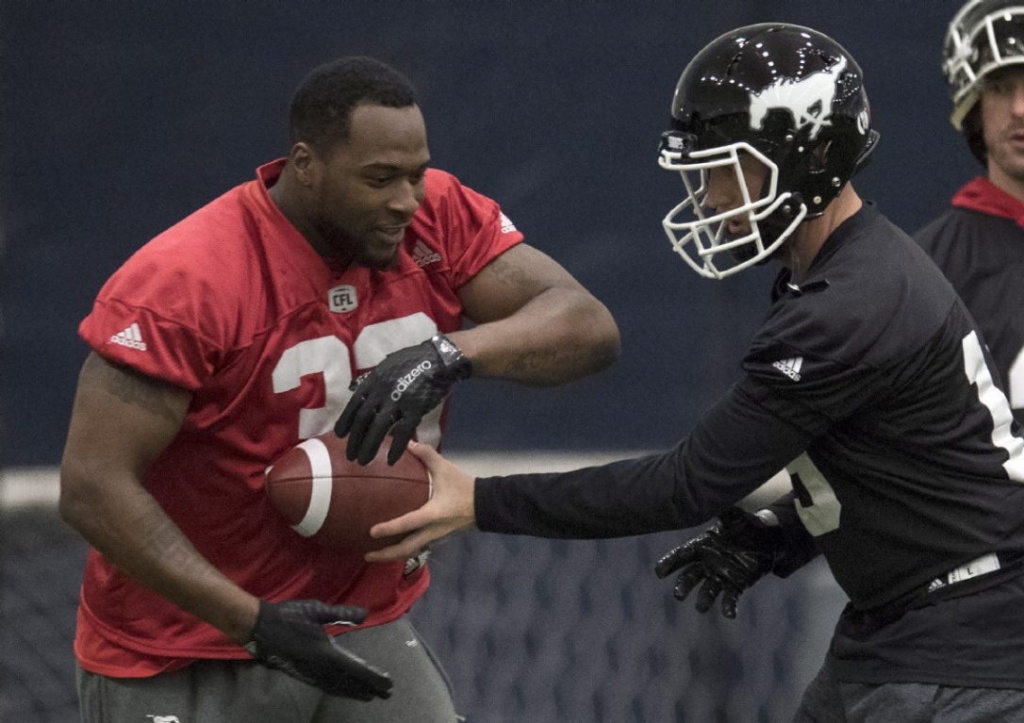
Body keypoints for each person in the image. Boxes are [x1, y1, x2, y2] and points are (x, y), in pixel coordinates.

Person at [364, 23, 1024, 722]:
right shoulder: (847, 270)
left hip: (964, 650)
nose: (710, 198)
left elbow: (687, 484)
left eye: (727, 170)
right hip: (914, 627)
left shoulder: (847, 304)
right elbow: (908, 466)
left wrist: (480, 500)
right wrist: (785, 530)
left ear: (813, 160)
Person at [58, 56, 620, 722]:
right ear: (306, 165)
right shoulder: (189, 279)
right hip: (187, 645)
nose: (406, 201)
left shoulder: (437, 216)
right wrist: (252, 621)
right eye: (379, 179)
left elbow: (588, 328)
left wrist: (450, 351)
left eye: (415, 174)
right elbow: (93, 485)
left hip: (360, 617)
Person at [651, 0, 1024, 631]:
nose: (1020, 108)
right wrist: (790, 531)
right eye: (1002, 86)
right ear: (970, 101)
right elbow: (905, 471)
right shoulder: (926, 274)